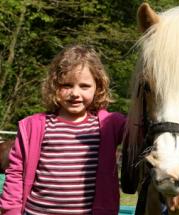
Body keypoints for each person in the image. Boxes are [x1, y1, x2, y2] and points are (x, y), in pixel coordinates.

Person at [0, 45, 126, 215]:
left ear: (98, 87)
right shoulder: (33, 126)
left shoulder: (110, 124)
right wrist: (11, 211)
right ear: (54, 86)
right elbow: (16, 173)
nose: (75, 93)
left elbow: (144, 129)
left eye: (84, 86)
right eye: (66, 85)